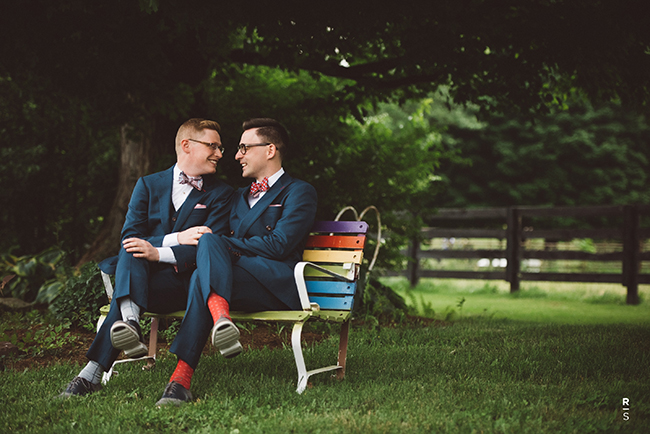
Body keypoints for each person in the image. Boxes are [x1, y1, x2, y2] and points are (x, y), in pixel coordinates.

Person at [60, 118, 234, 397]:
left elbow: (210, 247)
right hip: (144, 282)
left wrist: (158, 252)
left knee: (133, 258)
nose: (220, 154)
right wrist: (173, 239)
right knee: (131, 248)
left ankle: (93, 370)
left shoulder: (222, 194)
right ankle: (129, 324)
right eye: (213, 146)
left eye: (221, 147)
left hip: (188, 285)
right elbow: (129, 235)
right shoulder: (148, 184)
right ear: (186, 145)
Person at [155, 118, 318, 406]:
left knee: (208, 254)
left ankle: (183, 375)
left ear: (269, 150)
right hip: (235, 281)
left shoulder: (299, 192)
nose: (236, 155)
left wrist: (223, 244)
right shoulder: (237, 196)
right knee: (201, 273)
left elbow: (279, 245)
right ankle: (213, 331)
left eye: (244, 148)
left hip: (274, 284)